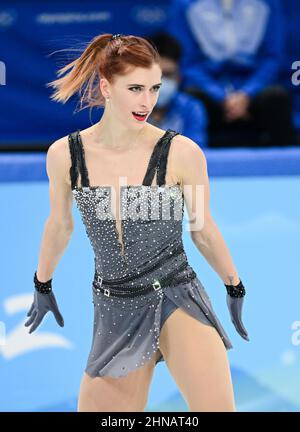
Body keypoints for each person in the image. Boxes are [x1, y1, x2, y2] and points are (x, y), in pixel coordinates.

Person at [24, 33, 249, 412]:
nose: (147, 101)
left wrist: (234, 284)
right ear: (105, 86)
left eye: (155, 88)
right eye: (135, 88)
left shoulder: (181, 152)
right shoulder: (66, 154)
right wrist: (42, 282)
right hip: (115, 305)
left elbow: (202, 229)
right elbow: (60, 226)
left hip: (177, 294)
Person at [167, 0, 294, 147]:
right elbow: (187, 61)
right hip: (208, 87)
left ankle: (285, 165)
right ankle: (194, 164)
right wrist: (220, 95)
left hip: (253, 88)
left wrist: (247, 93)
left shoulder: (268, 4)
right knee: (192, 98)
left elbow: (272, 57)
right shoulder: (185, 5)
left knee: (276, 97)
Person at [146, 31, 208, 148]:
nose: (160, 82)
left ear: (179, 77)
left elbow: (196, 152)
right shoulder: (126, 110)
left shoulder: (191, 108)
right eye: (156, 74)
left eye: (168, 75)